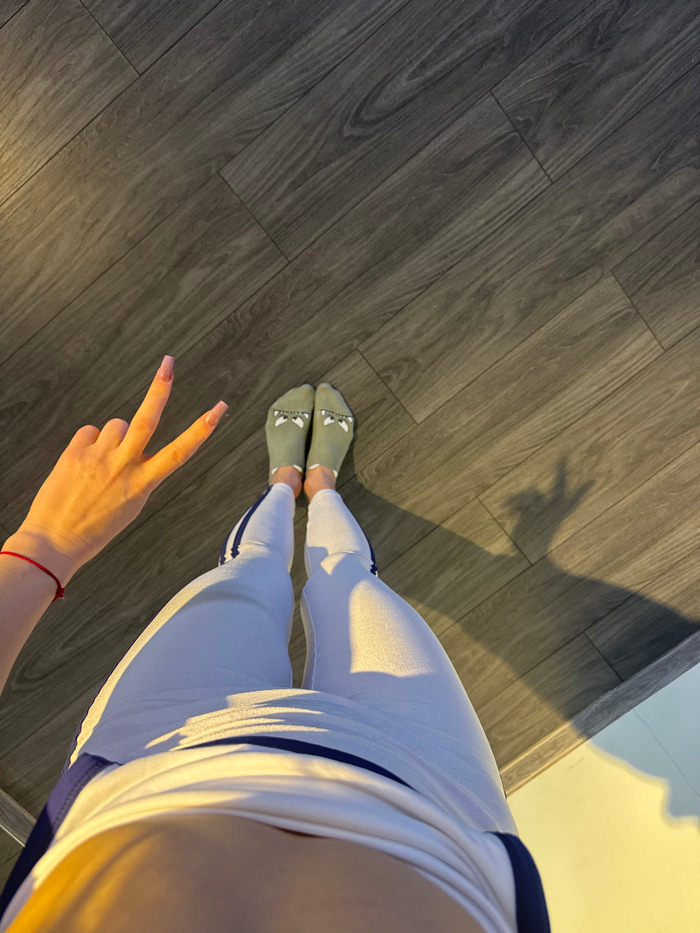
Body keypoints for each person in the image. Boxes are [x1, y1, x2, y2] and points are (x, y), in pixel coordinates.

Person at [0, 359, 550, 932]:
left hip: (153, 754)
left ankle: (287, 482)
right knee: (349, 576)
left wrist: (44, 545)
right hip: (436, 802)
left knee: (252, 569)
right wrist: (44, 547)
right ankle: (321, 484)